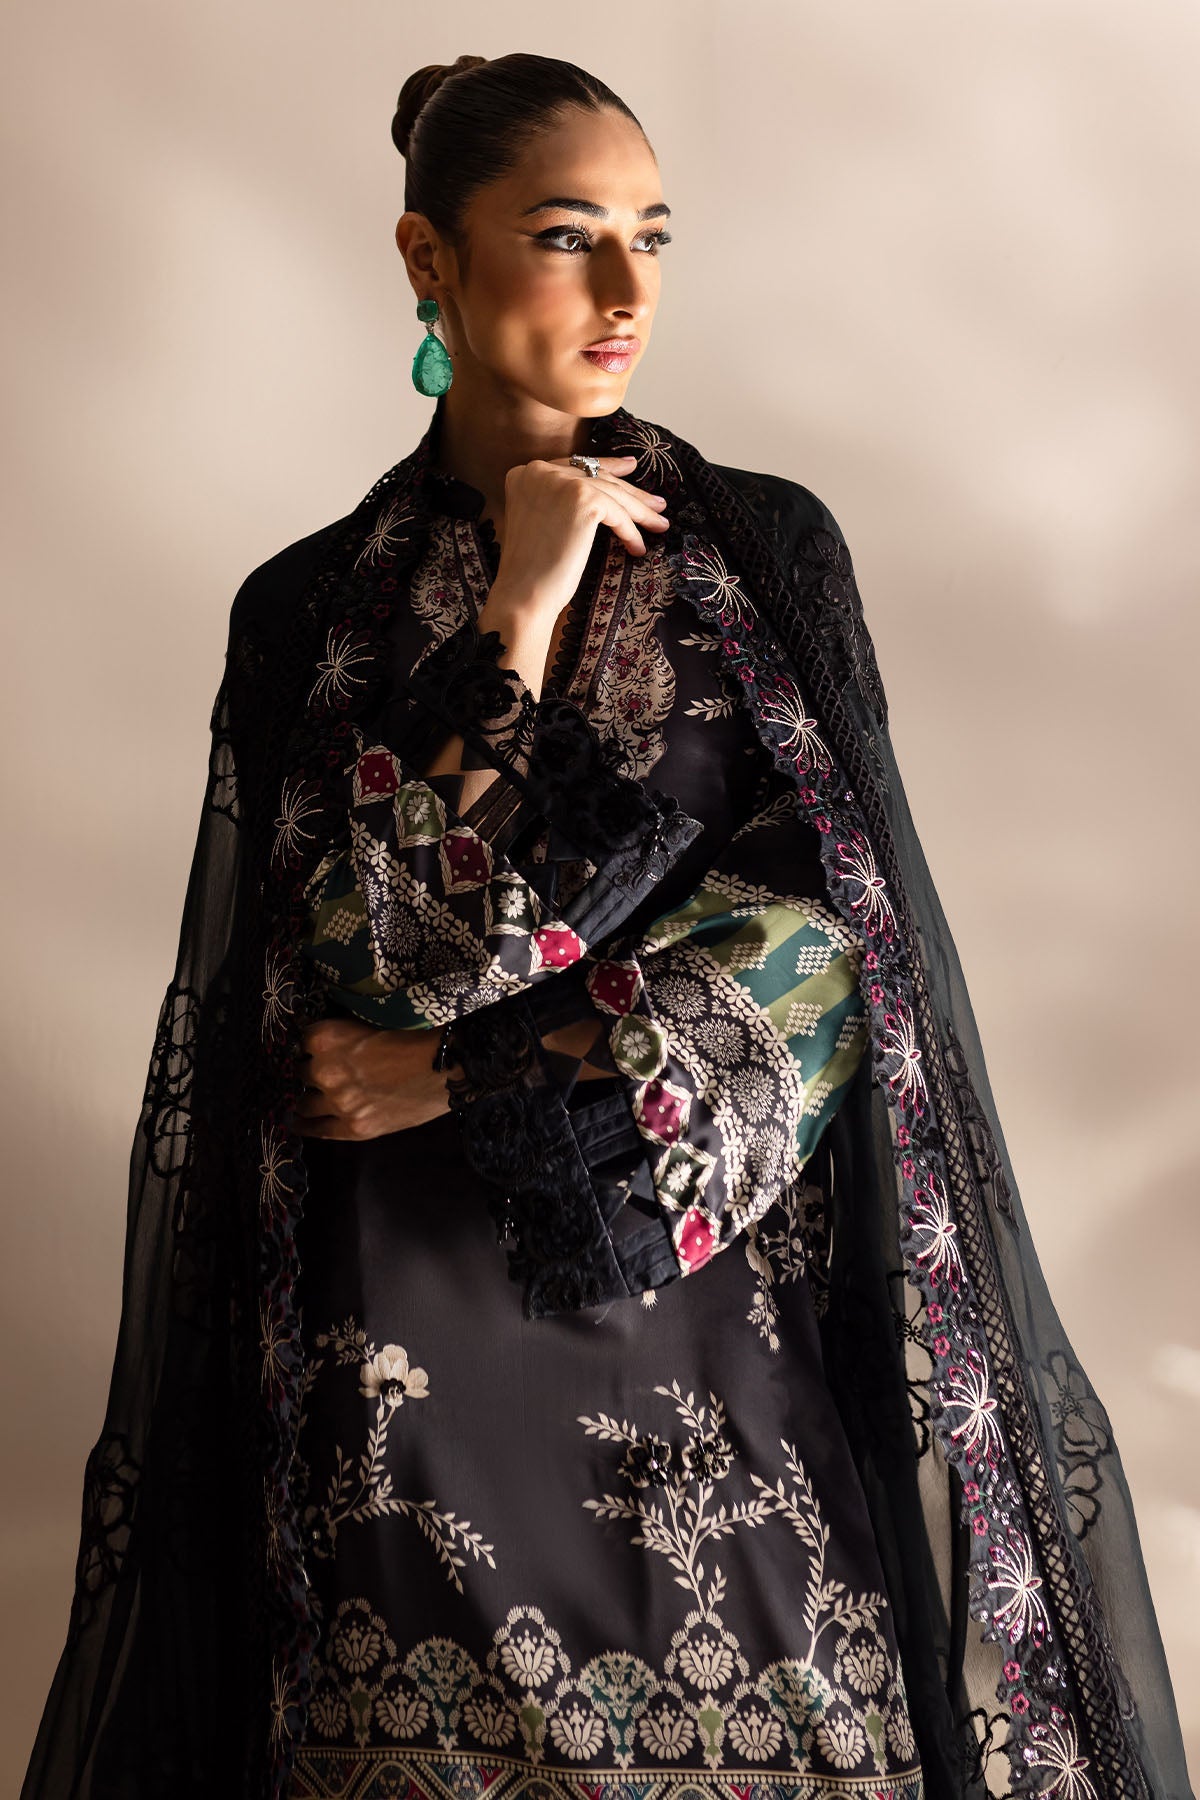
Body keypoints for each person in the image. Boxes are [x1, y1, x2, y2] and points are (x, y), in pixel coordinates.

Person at [21, 51, 1193, 1800]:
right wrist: (524, 592)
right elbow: (374, 960)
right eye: (570, 236)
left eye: (654, 235)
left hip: (708, 1365)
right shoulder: (310, 612)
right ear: (428, 258)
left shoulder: (761, 562)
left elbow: (833, 958)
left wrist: (455, 1081)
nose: (629, 289)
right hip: (402, 1394)